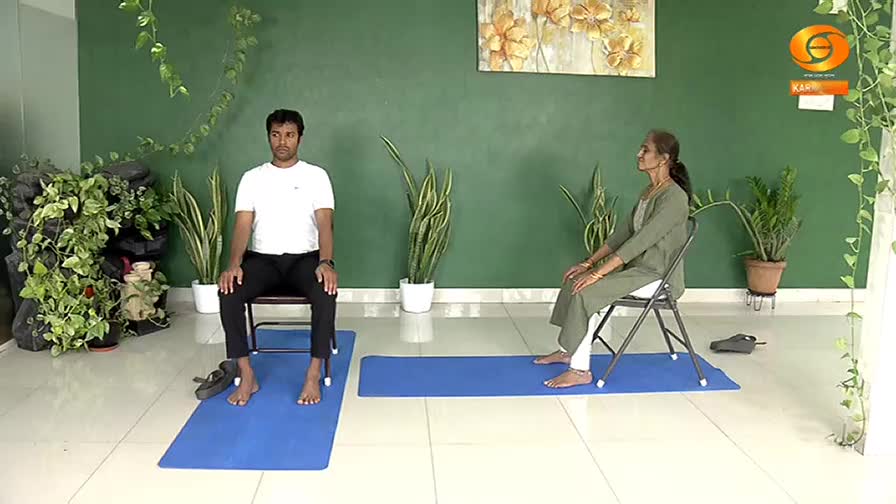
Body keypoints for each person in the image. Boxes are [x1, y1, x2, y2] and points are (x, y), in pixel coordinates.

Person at [535, 129, 693, 388]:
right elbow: (623, 234)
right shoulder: (649, 192)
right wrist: (587, 264)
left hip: (656, 276)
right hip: (637, 270)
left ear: (663, 158)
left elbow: (640, 242)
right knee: (577, 280)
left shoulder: (674, 198)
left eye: (645, 150)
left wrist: (598, 274)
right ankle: (570, 351)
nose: (639, 154)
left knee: (587, 291)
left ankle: (580, 371)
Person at [218, 109, 338, 406]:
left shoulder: (316, 176)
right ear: (269, 137)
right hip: (262, 261)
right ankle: (247, 374)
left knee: (326, 290)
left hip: (305, 260)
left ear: (300, 138)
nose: (282, 141)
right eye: (276, 134)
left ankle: (313, 373)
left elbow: (325, 223)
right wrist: (234, 265)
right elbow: (243, 225)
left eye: (289, 134)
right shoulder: (251, 178)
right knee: (228, 291)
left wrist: (326, 262)